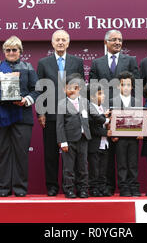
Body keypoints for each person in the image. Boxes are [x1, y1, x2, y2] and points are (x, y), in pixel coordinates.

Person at [0, 36, 39, 197]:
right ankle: (4, 189)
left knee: (21, 154)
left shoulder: (28, 67)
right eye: (8, 50)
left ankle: (20, 189)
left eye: (15, 50)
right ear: (4, 52)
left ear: (20, 52)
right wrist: (6, 75)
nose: (11, 52)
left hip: (22, 115)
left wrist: (26, 100)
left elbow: (37, 89)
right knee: (2, 154)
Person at [90, 29, 140, 194]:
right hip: (104, 113)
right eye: (113, 40)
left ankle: (129, 186)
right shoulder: (97, 63)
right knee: (107, 153)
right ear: (106, 42)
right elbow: (93, 89)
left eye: (120, 39)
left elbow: (137, 87)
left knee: (128, 155)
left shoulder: (131, 60)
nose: (117, 42)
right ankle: (108, 187)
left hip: (127, 113)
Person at [36, 30, 84, 196]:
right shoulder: (43, 63)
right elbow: (40, 90)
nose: (61, 42)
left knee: (72, 155)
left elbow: (81, 89)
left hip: (72, 116)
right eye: (58, 40)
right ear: (52, 43)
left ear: (68, 43)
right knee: (50, 153)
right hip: (50, 115)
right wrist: (40, 113)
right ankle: (52, 186)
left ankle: (71, 186)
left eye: (64, 40)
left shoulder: (77, 62)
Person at [56, 73, 107, 198]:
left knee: (83, 166)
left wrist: (106, 119)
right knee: (68, 167)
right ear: (64, 89)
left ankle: (83, 189)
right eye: (68, 88)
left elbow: (95, 115)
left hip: (84, 139)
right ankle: (69, 190)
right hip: (69, 140)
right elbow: (60, 125)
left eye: (75, 88)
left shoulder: (85, 102)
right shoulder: (62, 104)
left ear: (79, 89)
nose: (72, 90)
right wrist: (62, 141)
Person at [109, 71, 142, 197]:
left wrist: (141, 133)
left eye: (128, 85)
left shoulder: (136, 101)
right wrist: (113, 134)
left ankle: (134, 187)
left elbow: (141, 118)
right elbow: (111, 119)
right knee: (122, 163)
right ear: (118, 86)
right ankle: (124, 188)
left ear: (132, 86)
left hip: (134, 138)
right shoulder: (112, 101)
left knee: (133, 163)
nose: (126, 88)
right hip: (119, 139)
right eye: (123, 85)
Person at [88, 88, 112, 197]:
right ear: (93, 96)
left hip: (105, 144)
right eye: (100, 94)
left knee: (103, 168)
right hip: (94, 144)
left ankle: (102, 187)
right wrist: (106, 132)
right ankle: (94, 188)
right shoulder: (90, 109)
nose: (103, 96)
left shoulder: (105, 108)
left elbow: (109, 123)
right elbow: (92, 127)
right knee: (94, 169)